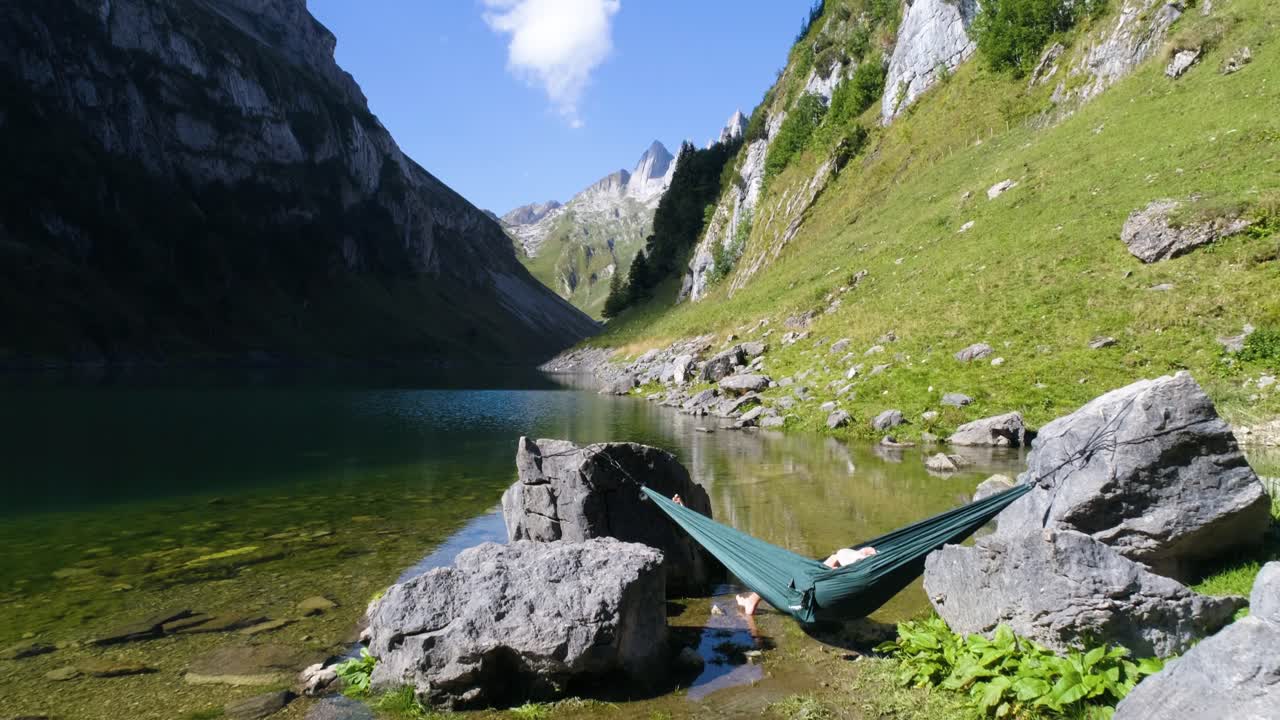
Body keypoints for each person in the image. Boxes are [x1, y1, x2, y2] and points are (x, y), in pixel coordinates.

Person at [671, 494, 876, 616]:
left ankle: (751, 601)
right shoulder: (840, 578)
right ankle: (752, 600)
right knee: (777, 568)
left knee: (776, 571)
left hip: (808, 594)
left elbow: (837, 561)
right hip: (812, 587)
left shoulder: (834, 580)